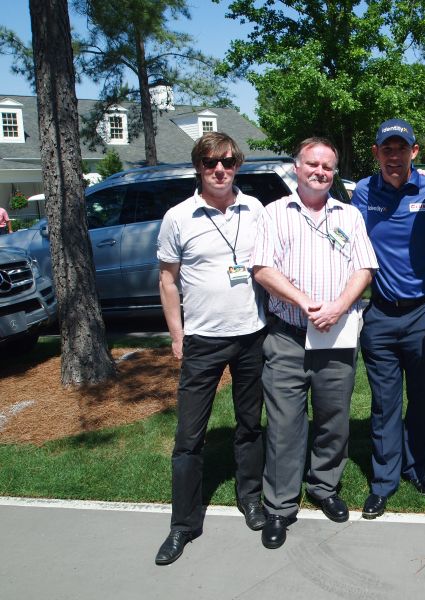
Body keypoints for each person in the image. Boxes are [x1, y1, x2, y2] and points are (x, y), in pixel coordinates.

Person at [252, 137, 378, 549]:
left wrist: (340, 306)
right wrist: (305, 303)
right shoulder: (274, 214)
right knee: (285, 425)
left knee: (333, 420)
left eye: (327, 165)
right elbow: (262, 269)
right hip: (288, 335)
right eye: (312, 164)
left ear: (334, 171)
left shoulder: (350, 214)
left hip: (337, 337)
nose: (320, 171)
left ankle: (324, 487)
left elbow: (364, 267)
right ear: (297, 167)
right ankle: (280, 506)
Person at [155, 132, 268, 566]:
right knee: (189, 437)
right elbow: (168, 279)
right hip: (202, 341)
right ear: (198, 167)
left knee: (249, 426)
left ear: (237, 164)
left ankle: (251, 500)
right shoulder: (178, 217)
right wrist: (177, 335)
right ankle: (183, 524)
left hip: (252, 334)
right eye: (209, 162)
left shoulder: (254, 208)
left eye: (227, 161)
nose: (219, 169)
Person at [351, 119, 425, 519]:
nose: (394, 156)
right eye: (386, 149)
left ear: (414, 152)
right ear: (377, 153)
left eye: (402, 148)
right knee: (384, 403)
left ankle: (417, 467)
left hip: (424, 314)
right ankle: (383, 481)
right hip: (379, 314)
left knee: (421, 400)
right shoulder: (362, 192)